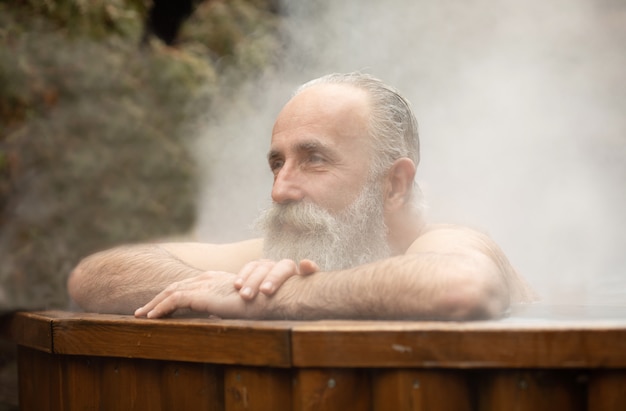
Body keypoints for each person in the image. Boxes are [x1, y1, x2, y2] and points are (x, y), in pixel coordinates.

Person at [67, 72, 535, 321]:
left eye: (314, 159)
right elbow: (93, 275)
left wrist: (276, 299)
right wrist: (231, 289)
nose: (280, 190)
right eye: (277, 162)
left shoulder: (452, 241)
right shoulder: (308, 250)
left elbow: (461, 287)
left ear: (394, 185)